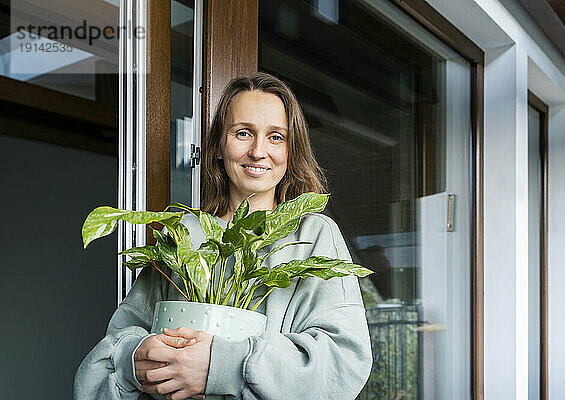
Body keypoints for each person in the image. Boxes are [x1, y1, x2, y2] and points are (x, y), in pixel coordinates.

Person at [74, 72, 373, 400]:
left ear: (291, 152)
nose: (258, 151)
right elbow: (102, 366)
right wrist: (136, 359)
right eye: (243, 133)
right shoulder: (182, 235)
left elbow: (344, 363)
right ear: (218, 146)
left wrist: (223, 365)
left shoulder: (314, 234)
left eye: (276, 137)